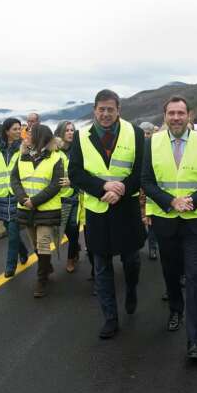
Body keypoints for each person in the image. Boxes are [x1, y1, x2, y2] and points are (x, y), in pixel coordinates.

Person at [143, 96, 197, 361]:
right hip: (166, 220)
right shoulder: (151, 143)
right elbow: (147, 182)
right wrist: (170, 201)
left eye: (181, 113)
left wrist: (192, 200)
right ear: (164, 116)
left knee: (195, 275)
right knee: (171, 271)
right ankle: (175, 308)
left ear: (189, 115)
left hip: (196, 221)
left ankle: (194, 339)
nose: (176, 118)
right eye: (171, 113)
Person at [68, 88, 146, 339]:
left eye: (110, 109)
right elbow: (76, 173)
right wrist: (102, 187)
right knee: (101, 266)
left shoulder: (134, 133)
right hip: (97, 210)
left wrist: (121, 189)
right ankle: (110, 318)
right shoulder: (81, 137)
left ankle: (132, 290)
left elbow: (141, 171)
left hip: (127, 209)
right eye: (101, 109)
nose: (105, 114)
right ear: (94, 110)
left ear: (118, 110)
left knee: (131, 260)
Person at [11, 124, 64, 297]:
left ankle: (41, 280)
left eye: (31, 134)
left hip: (46, 209)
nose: (26, 136)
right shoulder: (22, 156)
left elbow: (56, 184)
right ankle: (46, 266)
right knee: (35, 244)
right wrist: (23, 198)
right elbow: (14, 179)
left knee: (42, 244)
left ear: (39, 137)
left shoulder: (56, 158)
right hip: (26, 208)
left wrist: (35, 201)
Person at [0, 118, 30, 276]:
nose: (18, 132)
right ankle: (23, 251)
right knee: (9, 230)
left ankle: (10, 266)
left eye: (19, 129)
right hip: (0, 195)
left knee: (13, 232)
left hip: (16, 195)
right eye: (14, 129)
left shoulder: (24, 147)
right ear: (6, 130)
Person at [54, 121, 82, 273]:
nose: (71, 133)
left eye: (72, 130)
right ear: (60, 133)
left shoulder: (78, 150)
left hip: (75, 196)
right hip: (56, 198)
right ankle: (75, 245)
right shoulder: (53, 151)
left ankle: (71, 259)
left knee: (73, 227)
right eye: (67, 130)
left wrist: (73, 181)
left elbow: (85, 172)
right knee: (64, 230)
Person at [138, 121, 160, 262]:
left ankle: (153, 247)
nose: (145, 136)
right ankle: (140, 240)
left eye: (148, 133)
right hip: (137, 189)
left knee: (152, 220)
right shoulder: (134, 148)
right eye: (143, 133)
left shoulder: (157, 148)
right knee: (139, 219)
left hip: (151, 189)